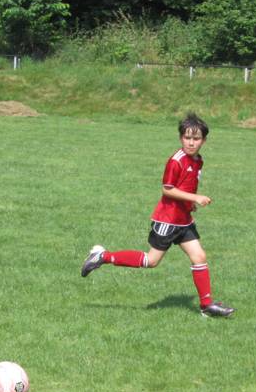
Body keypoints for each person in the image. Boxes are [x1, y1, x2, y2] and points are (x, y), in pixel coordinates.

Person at [80, 112, 235, 318]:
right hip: (167, 220)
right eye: (187, 138)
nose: (191, 143)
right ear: (181, 138)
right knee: (151, 261)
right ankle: (102, 256)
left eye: (196, 138)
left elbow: (185, 186)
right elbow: (167, 189)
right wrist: (195, 197)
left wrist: (190, 204)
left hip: (184, 220)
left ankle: (206, 305)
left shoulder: (198, 161)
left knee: (199, 256)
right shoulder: (176, 161)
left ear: (204, 140)